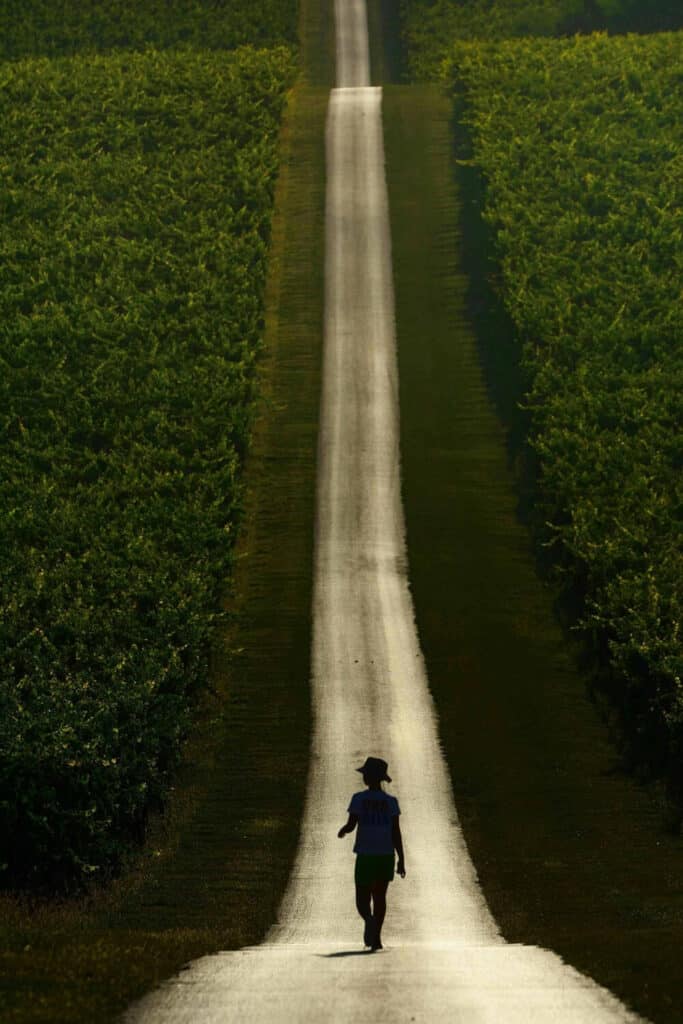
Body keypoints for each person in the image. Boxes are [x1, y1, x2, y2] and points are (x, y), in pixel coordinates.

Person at [337, 756, 406, 951]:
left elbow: (352, 824)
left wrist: (343, 830)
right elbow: (396, 832)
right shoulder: (391, 802)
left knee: (362, 897)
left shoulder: (359, 799)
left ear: (368, 778)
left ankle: (369, 920)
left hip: (366, 854)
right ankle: (376, 937)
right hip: (385, 854)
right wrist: (401, 859)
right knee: (380, 896)